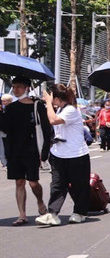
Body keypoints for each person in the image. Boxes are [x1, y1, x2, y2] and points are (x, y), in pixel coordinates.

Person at [36, 84, 90, 225]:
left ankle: (80, 212)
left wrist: (48, 103)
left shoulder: (71, 110)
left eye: (51, 96)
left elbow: (53, 120)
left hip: (76, 154)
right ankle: (52, 214)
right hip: (59, 154)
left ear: (57, 98)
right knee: (57, 185)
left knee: (78, 185)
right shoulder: (60, 108)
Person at [0, 77, 50, 225]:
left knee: (33, 182)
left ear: (27, 87)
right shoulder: (10, 108)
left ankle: (40, 202)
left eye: (19, 87)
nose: (16, 90)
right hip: (15, 150)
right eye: (14, 87)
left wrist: (45, 151)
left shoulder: (37, 106)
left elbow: (47, 130)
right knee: (19, 182)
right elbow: (6, 129)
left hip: (32, 150)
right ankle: (22, 215)